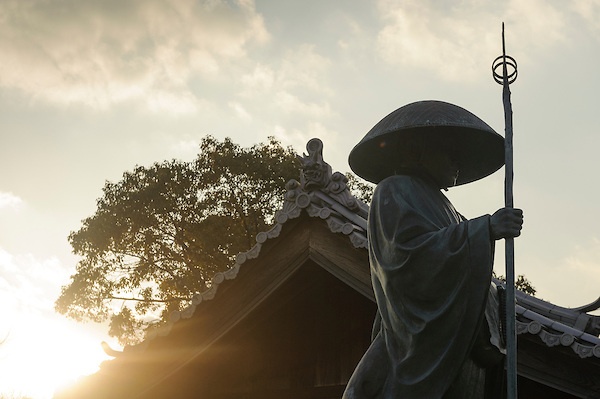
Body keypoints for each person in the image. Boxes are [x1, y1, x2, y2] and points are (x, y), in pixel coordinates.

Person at [344, 101, 524, 398]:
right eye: (450, 153)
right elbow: (405, 259)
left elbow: (468, 265)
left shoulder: (446, 207)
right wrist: (486, 229)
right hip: (413, 338)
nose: (458, 163)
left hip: (456, 342)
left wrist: (499, 297)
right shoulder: (393, 190)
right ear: (420, 151)